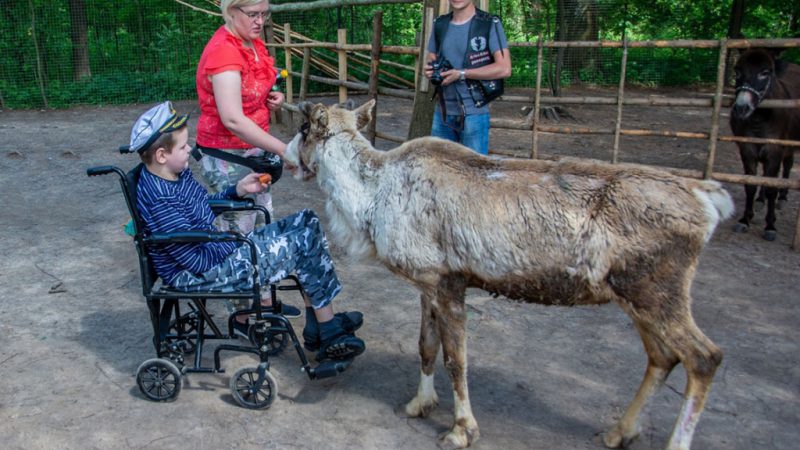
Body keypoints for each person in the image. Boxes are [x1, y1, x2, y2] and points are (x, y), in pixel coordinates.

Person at [129, 101, 365, 361]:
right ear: (161, 155)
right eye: (183, 146)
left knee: (307, 222)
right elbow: (189, 256)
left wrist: (237, 190)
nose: (189, 150)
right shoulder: (160, 197)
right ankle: (326, 327)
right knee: (301, 243)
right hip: (203, 271)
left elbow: (201, 209)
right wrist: (234, 244)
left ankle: (320, 323)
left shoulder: (175, 173)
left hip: (217, 252)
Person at [195, 0, 291, 321]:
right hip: (227, 155)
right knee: (237, 233)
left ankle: (261, 302)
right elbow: (233, 118)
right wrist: (282, 148)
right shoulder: (223, 50)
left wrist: (271, 99)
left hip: (252, 153)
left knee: (261, 223)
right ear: (230, 11)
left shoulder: (251, 44)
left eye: (264, 14)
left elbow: (250, 95)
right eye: (253, 14)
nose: (260, 21)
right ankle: (242, 316)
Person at [425, 0, 512, 155]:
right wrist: (431, 70)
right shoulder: (440, 24)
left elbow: (504, 69)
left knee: (474, 175)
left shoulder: (489, 23)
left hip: (474, 113)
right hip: (443, 112)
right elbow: (432, 58)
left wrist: (462, 74)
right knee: (439, 174)